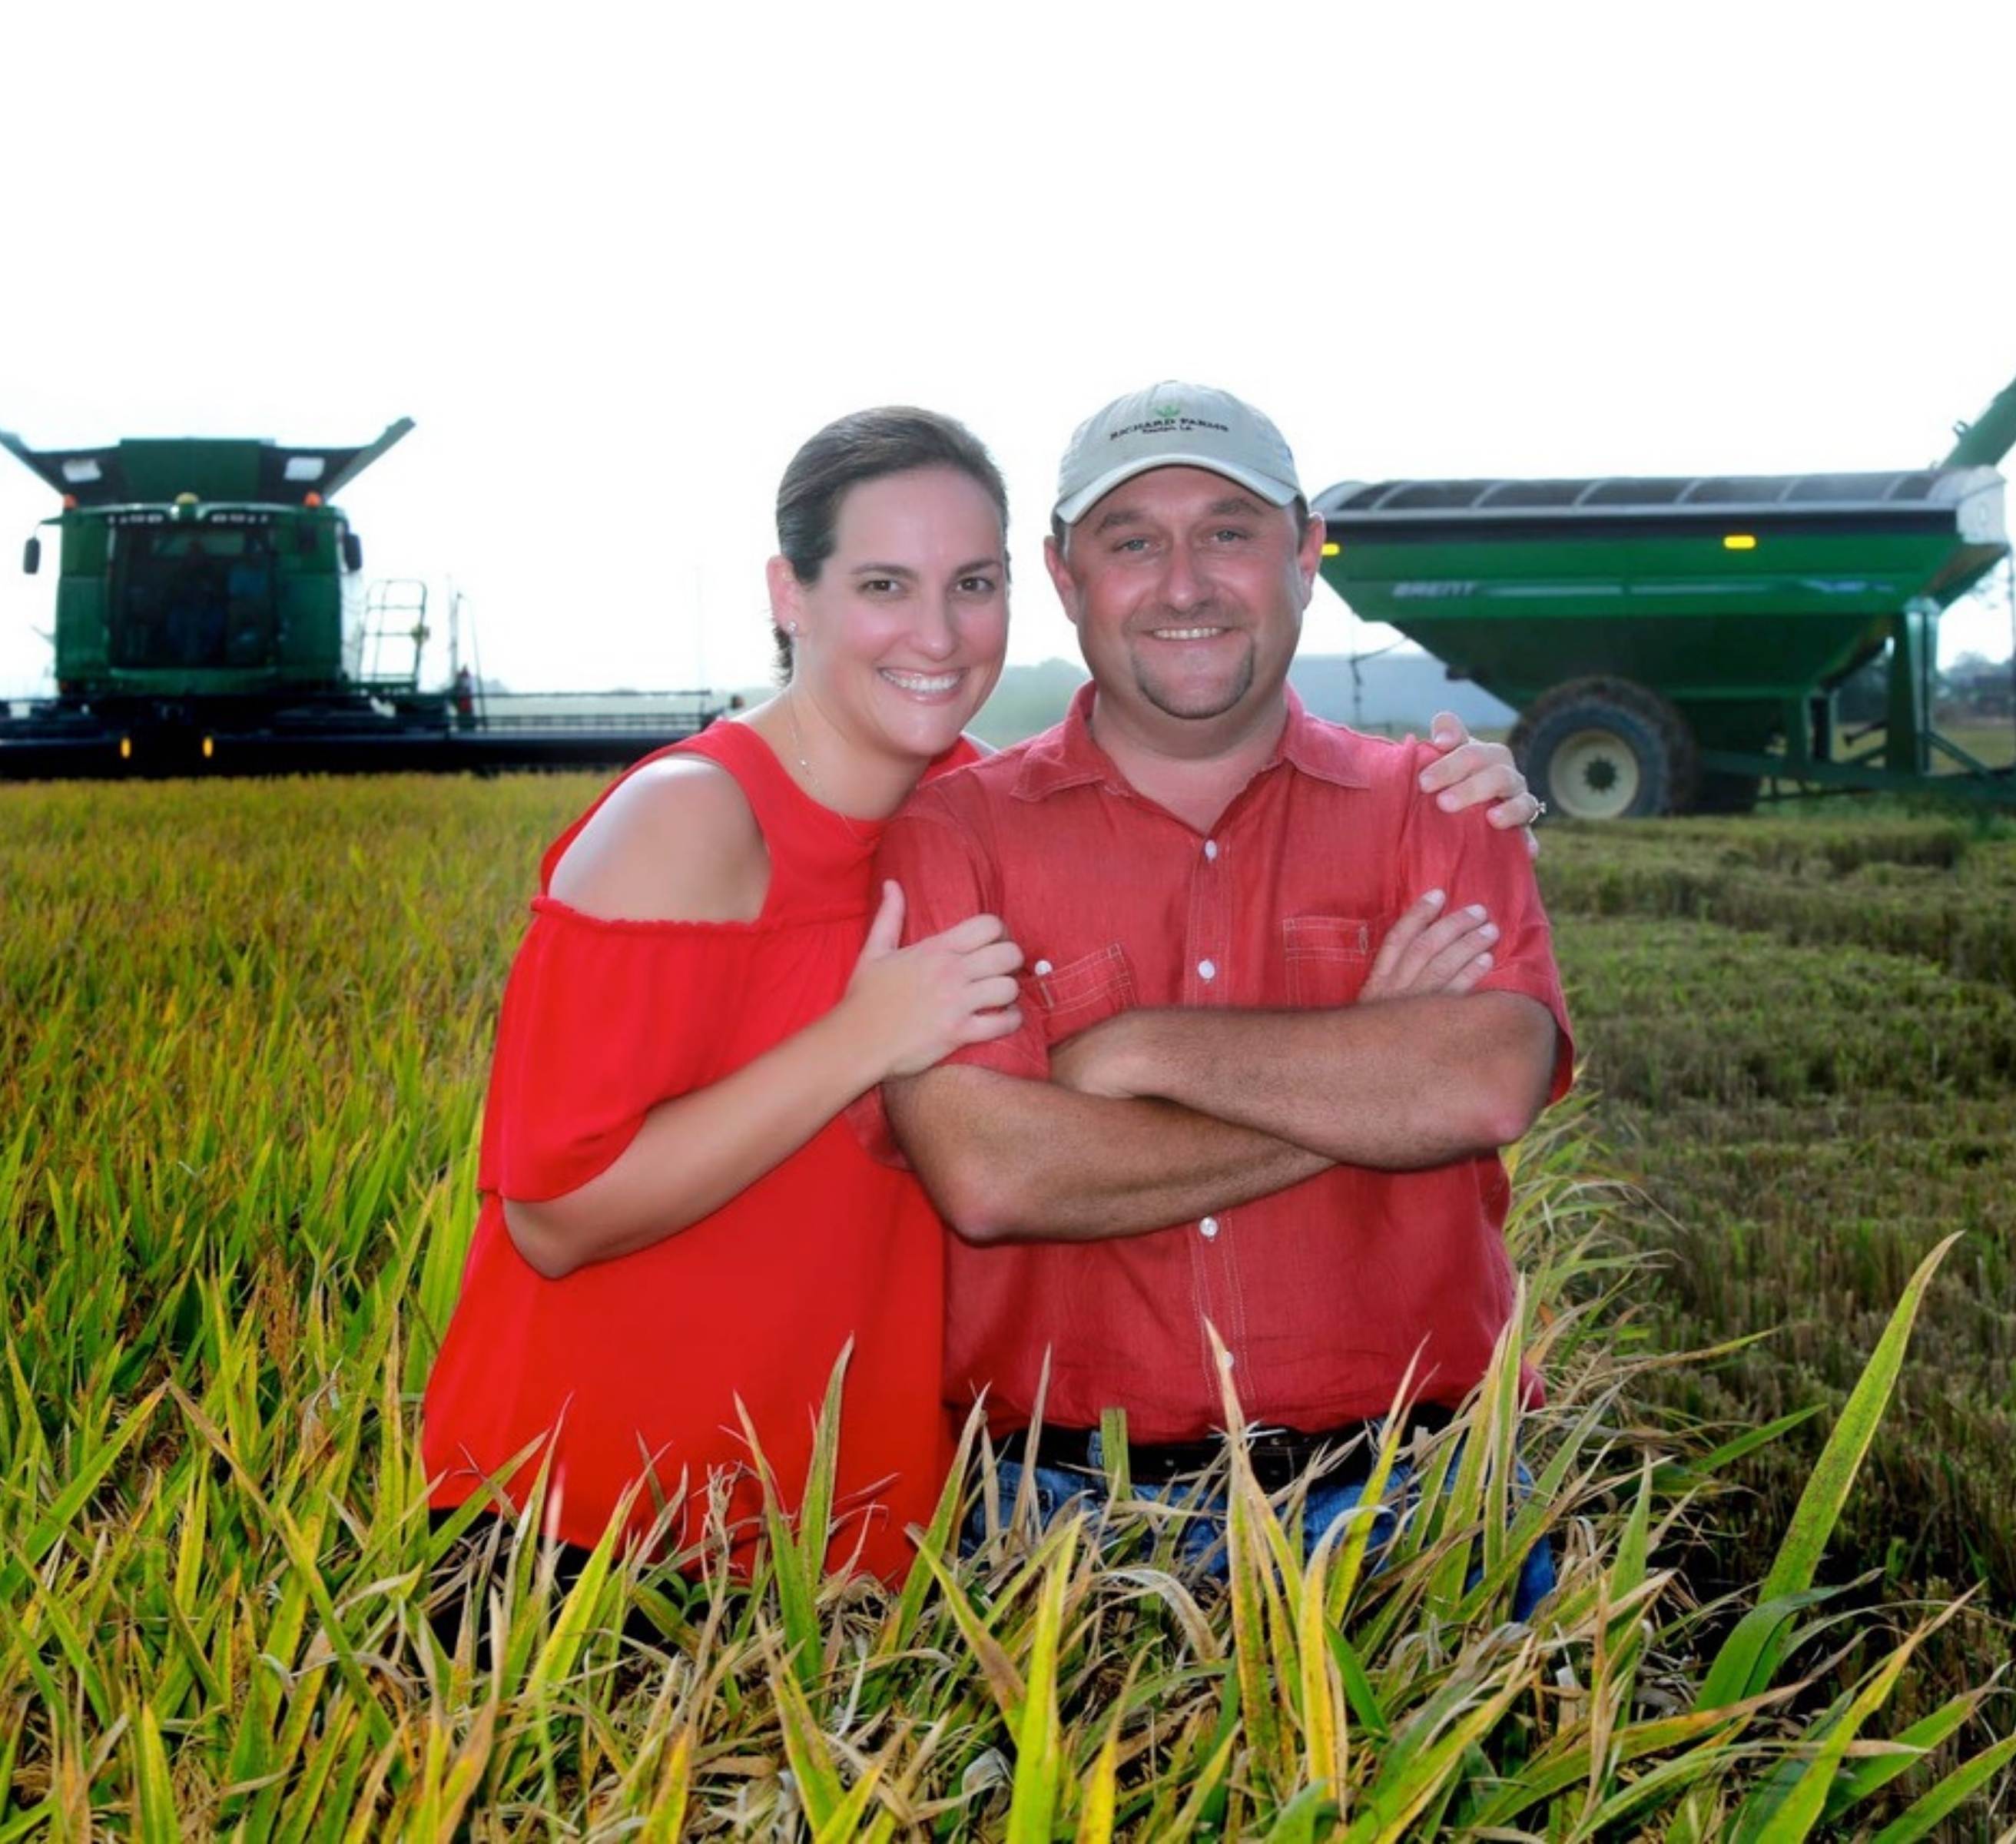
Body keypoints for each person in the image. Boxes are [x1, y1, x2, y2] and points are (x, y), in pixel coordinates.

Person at [419, 403, 1540, 1591]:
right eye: (886, 585)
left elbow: (1478, 1075)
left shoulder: (964, 813)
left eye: (971, 583)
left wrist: (1186, 1053)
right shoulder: (690, 818)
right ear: (790, 594)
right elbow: (556, 1212)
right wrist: (1366, 1082)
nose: (941, 633)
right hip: (593, 1510)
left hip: (846, 1528)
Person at [874, 383, 1574, 1610]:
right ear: (1064, 574)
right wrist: (1361, 1067)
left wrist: (1136, 1049)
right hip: (1064, 1524)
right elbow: (995, 1176)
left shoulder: (1444, 805)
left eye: (1229, 532)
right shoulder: (951, 832)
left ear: (1305, 554)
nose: (1184, 582)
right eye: (1133, 540)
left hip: (1420, 1497)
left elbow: (1480, 1083)